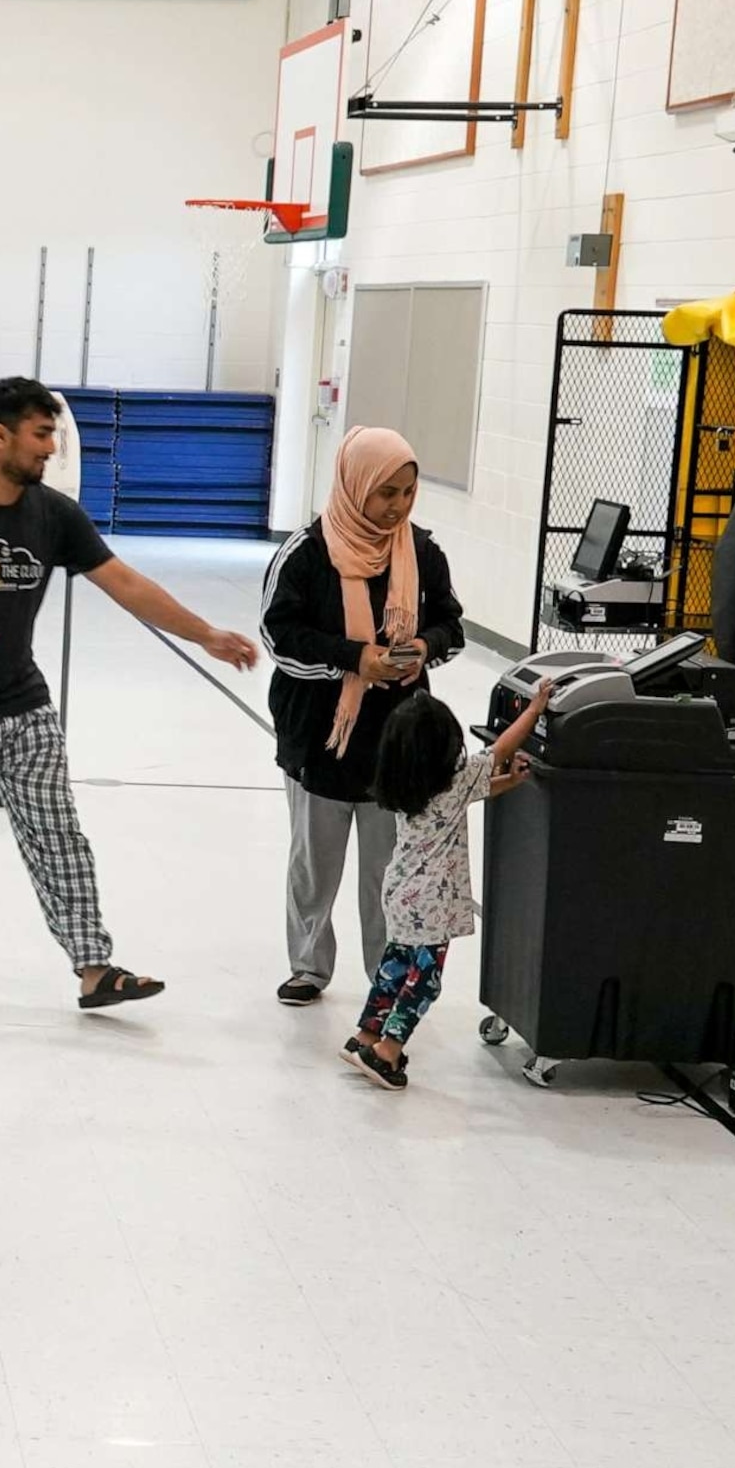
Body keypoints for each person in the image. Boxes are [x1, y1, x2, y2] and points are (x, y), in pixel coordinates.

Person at [0, 376, 260, 1010]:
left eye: (54, 435)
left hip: (24, 709)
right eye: (41, 436)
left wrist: (205, 633)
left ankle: (94, 967)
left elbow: (124, 581)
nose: (50, 448)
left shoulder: (52, 514)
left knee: (58, 838)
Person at [261, 426, 466, 1007]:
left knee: (387, 868)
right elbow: (281, 636)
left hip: (395, 739)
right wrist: (355, 660)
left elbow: (452, 624)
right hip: (321, 733)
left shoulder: (421, 552)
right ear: (355, 487)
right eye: (385, 493)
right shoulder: (307, 552)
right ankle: (308, 966)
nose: (397, 506)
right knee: (314, 862)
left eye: (407, 492)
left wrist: (424, 646)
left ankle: (387, 971)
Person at [346, 679, 553, 1088]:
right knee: (423, 981)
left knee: (393, 967)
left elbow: (470, 794)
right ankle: (388, 1051)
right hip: (431, 905)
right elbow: (501, 749)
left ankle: (365, 1035)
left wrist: (509, 782)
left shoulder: (405, 783)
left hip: (401, 892)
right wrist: (536, 707)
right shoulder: (455, 780)